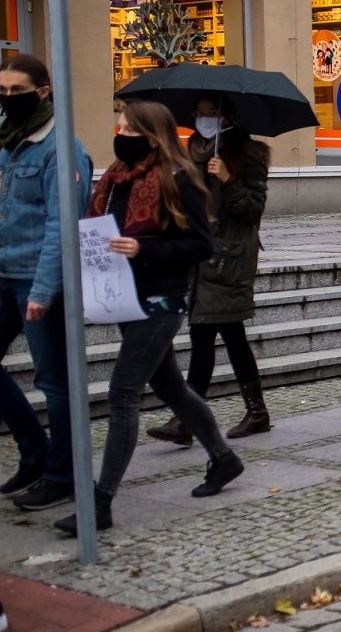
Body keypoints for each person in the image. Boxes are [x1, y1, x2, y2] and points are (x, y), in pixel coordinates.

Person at [56, 101, 244, 535]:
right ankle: (224, 458)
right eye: (117, 125)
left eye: (127, 128)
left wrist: (145, 249)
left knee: (123, 393)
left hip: (161, 301)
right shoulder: (115, 179)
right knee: (172, 387)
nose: (118, 133)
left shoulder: (179, 180)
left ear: (150, 135)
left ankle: (100, 503)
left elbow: (200, 245)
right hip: (122, 296)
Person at [0, 54, 93, 513]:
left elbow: (61, 226)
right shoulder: (12, 146)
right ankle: (35, 452)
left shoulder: (62, 149)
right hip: (4, 275)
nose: (8, 98)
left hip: (38, 280)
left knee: (54, 380)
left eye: (18, 91)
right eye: (3, 90)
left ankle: (63, 475)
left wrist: (43, 290)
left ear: (44, 91)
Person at [149, 94, 271, 445]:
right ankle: (238, 413)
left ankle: (193, 418)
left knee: (217, 334)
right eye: (199, 113)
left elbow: (253, 211)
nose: (205, 119)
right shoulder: (189, 151)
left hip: (230, 256)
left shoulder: (249, 153)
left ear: (228, 115)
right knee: (215, 334)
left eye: (212, 113)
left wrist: (229, 178)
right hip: (201, 255)